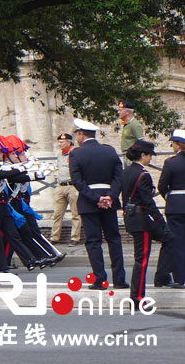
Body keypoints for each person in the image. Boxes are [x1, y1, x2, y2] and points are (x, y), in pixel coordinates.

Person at [121, 139, 180, 308]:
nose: (150, 159)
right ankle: (137, 298)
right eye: (149, 156)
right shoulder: (143, 174)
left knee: (169, 239)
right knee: (142, 259)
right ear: (143, 155)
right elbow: (148, 202)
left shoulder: (126, 172)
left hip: (131, 218)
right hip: (142, 220)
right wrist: (161, 221)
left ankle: (162, 275)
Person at [69, 118, 127, 290]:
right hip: (109, 201)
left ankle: (100, 280)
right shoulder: (110, 151)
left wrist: (96, 198)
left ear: (80, 135)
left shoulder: (76, 154)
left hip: (89, 202)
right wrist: (111, 196)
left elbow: (77, 181)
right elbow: (118, 177)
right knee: (114, 239)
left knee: (94, 242)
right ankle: (119, 279)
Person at [156, 129, 185, 288]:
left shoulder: (171, 162)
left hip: (176, 206)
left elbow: (162, 186)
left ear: (178, 145)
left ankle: (181, 278)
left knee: (178, 243)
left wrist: (170, 198)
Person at [51, 133, 81, 246]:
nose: (60, 144)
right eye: (59, 142)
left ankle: (75, 237)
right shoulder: (60, 155)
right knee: (57, 213)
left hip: (72, 185)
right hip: (61, 185)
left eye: (62, 142)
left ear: (69, 142)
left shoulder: (74, 154)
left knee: (75, 213)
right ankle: (54, 237)